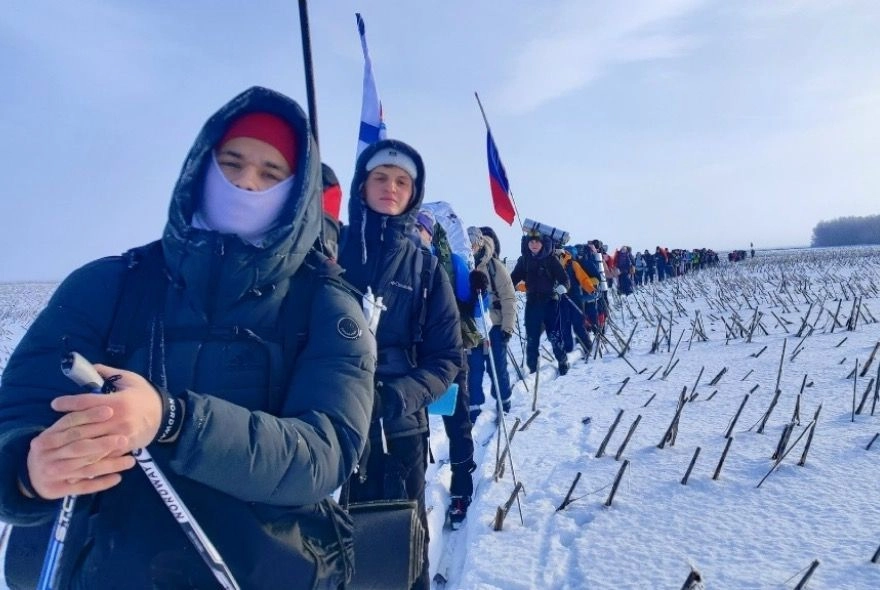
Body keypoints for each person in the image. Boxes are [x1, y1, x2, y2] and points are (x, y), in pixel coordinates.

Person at [0, 87, 376, 589]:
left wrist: (172, 419)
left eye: (270, 173)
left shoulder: (326, 305)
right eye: (231, 163)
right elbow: (18, 414)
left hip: (267, 570)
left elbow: (323, 453)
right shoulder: (107, 286)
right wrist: (30, 472)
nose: (246, 183)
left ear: (296, 193)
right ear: (201, 168)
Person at [337, 139, 461, 589]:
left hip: (398, 431)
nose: (390, 187)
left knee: (401, 549)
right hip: (326, 425)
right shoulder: (331, 252)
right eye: (381, 177)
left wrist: (396, 397)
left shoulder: (426, 271)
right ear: (362, 185)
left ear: (413, 193)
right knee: (329, 547)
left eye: (402, 181)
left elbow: (446, 358)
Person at [510, 231, 570, 375]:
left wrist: (563, 287)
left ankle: (562, 361)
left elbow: (565, 280)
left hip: (550, 302)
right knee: (532, 337)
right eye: (531, 242)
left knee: (554, 335)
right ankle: (532, 370)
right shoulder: (524, 260)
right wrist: (506, 289)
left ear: (542, 243)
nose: (534, 244)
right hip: (532, 302)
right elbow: (513, 278)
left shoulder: (551, 260)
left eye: (537, 241)